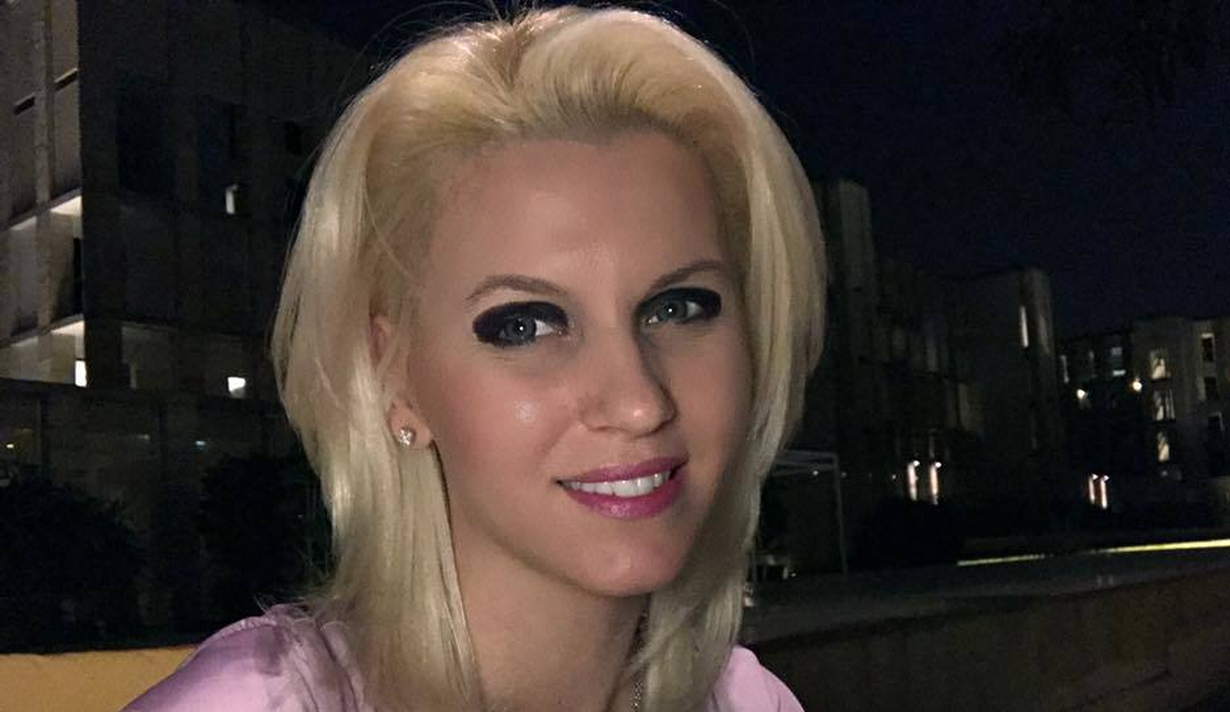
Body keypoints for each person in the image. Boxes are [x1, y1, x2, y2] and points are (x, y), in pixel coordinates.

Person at [123, 5, 824, 711]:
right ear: (393, 374)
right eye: (525, 325)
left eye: (678, 308)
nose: (639, 403)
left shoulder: (749, 701)